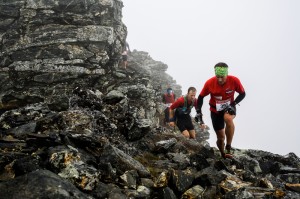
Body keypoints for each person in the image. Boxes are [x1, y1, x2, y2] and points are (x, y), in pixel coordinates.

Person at [195, 62, 246, 159]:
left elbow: (243, 94)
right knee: (221, 138)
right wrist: (198, 112)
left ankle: (228, 146)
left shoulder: (234, 80)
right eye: (217, 76)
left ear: (226, 74)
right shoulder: (209, 83)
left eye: (222, 77)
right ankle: (223, 154)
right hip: (215, 111)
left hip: (229, 107)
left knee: (228, 119)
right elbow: (201, 97)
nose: (219, 79)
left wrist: (233, 104)